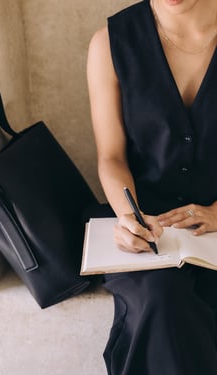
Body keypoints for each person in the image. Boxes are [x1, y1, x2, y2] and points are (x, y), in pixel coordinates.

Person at [87, 0, 217, 373]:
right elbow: (111, 157)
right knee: (162, 298)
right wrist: (129, 215)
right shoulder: (109, 44)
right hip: (151, 225)